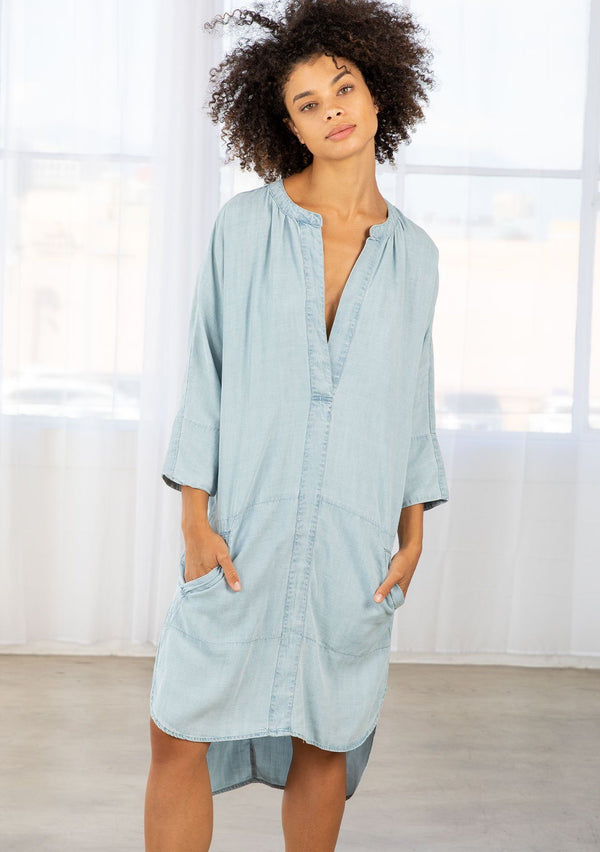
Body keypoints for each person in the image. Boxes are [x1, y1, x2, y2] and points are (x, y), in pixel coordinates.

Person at [144, 1, 449, 850]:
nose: (332, 111)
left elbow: (412, 401)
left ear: (378, 92)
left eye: (343, 88)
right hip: (243, 532)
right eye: (308, 103)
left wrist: (413, 534)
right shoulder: (244, 228)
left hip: (355, 537)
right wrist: (194, 518)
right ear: (288, 125)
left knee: (327, 738)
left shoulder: (417, 256)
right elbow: (206, 372)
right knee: (177, 731)